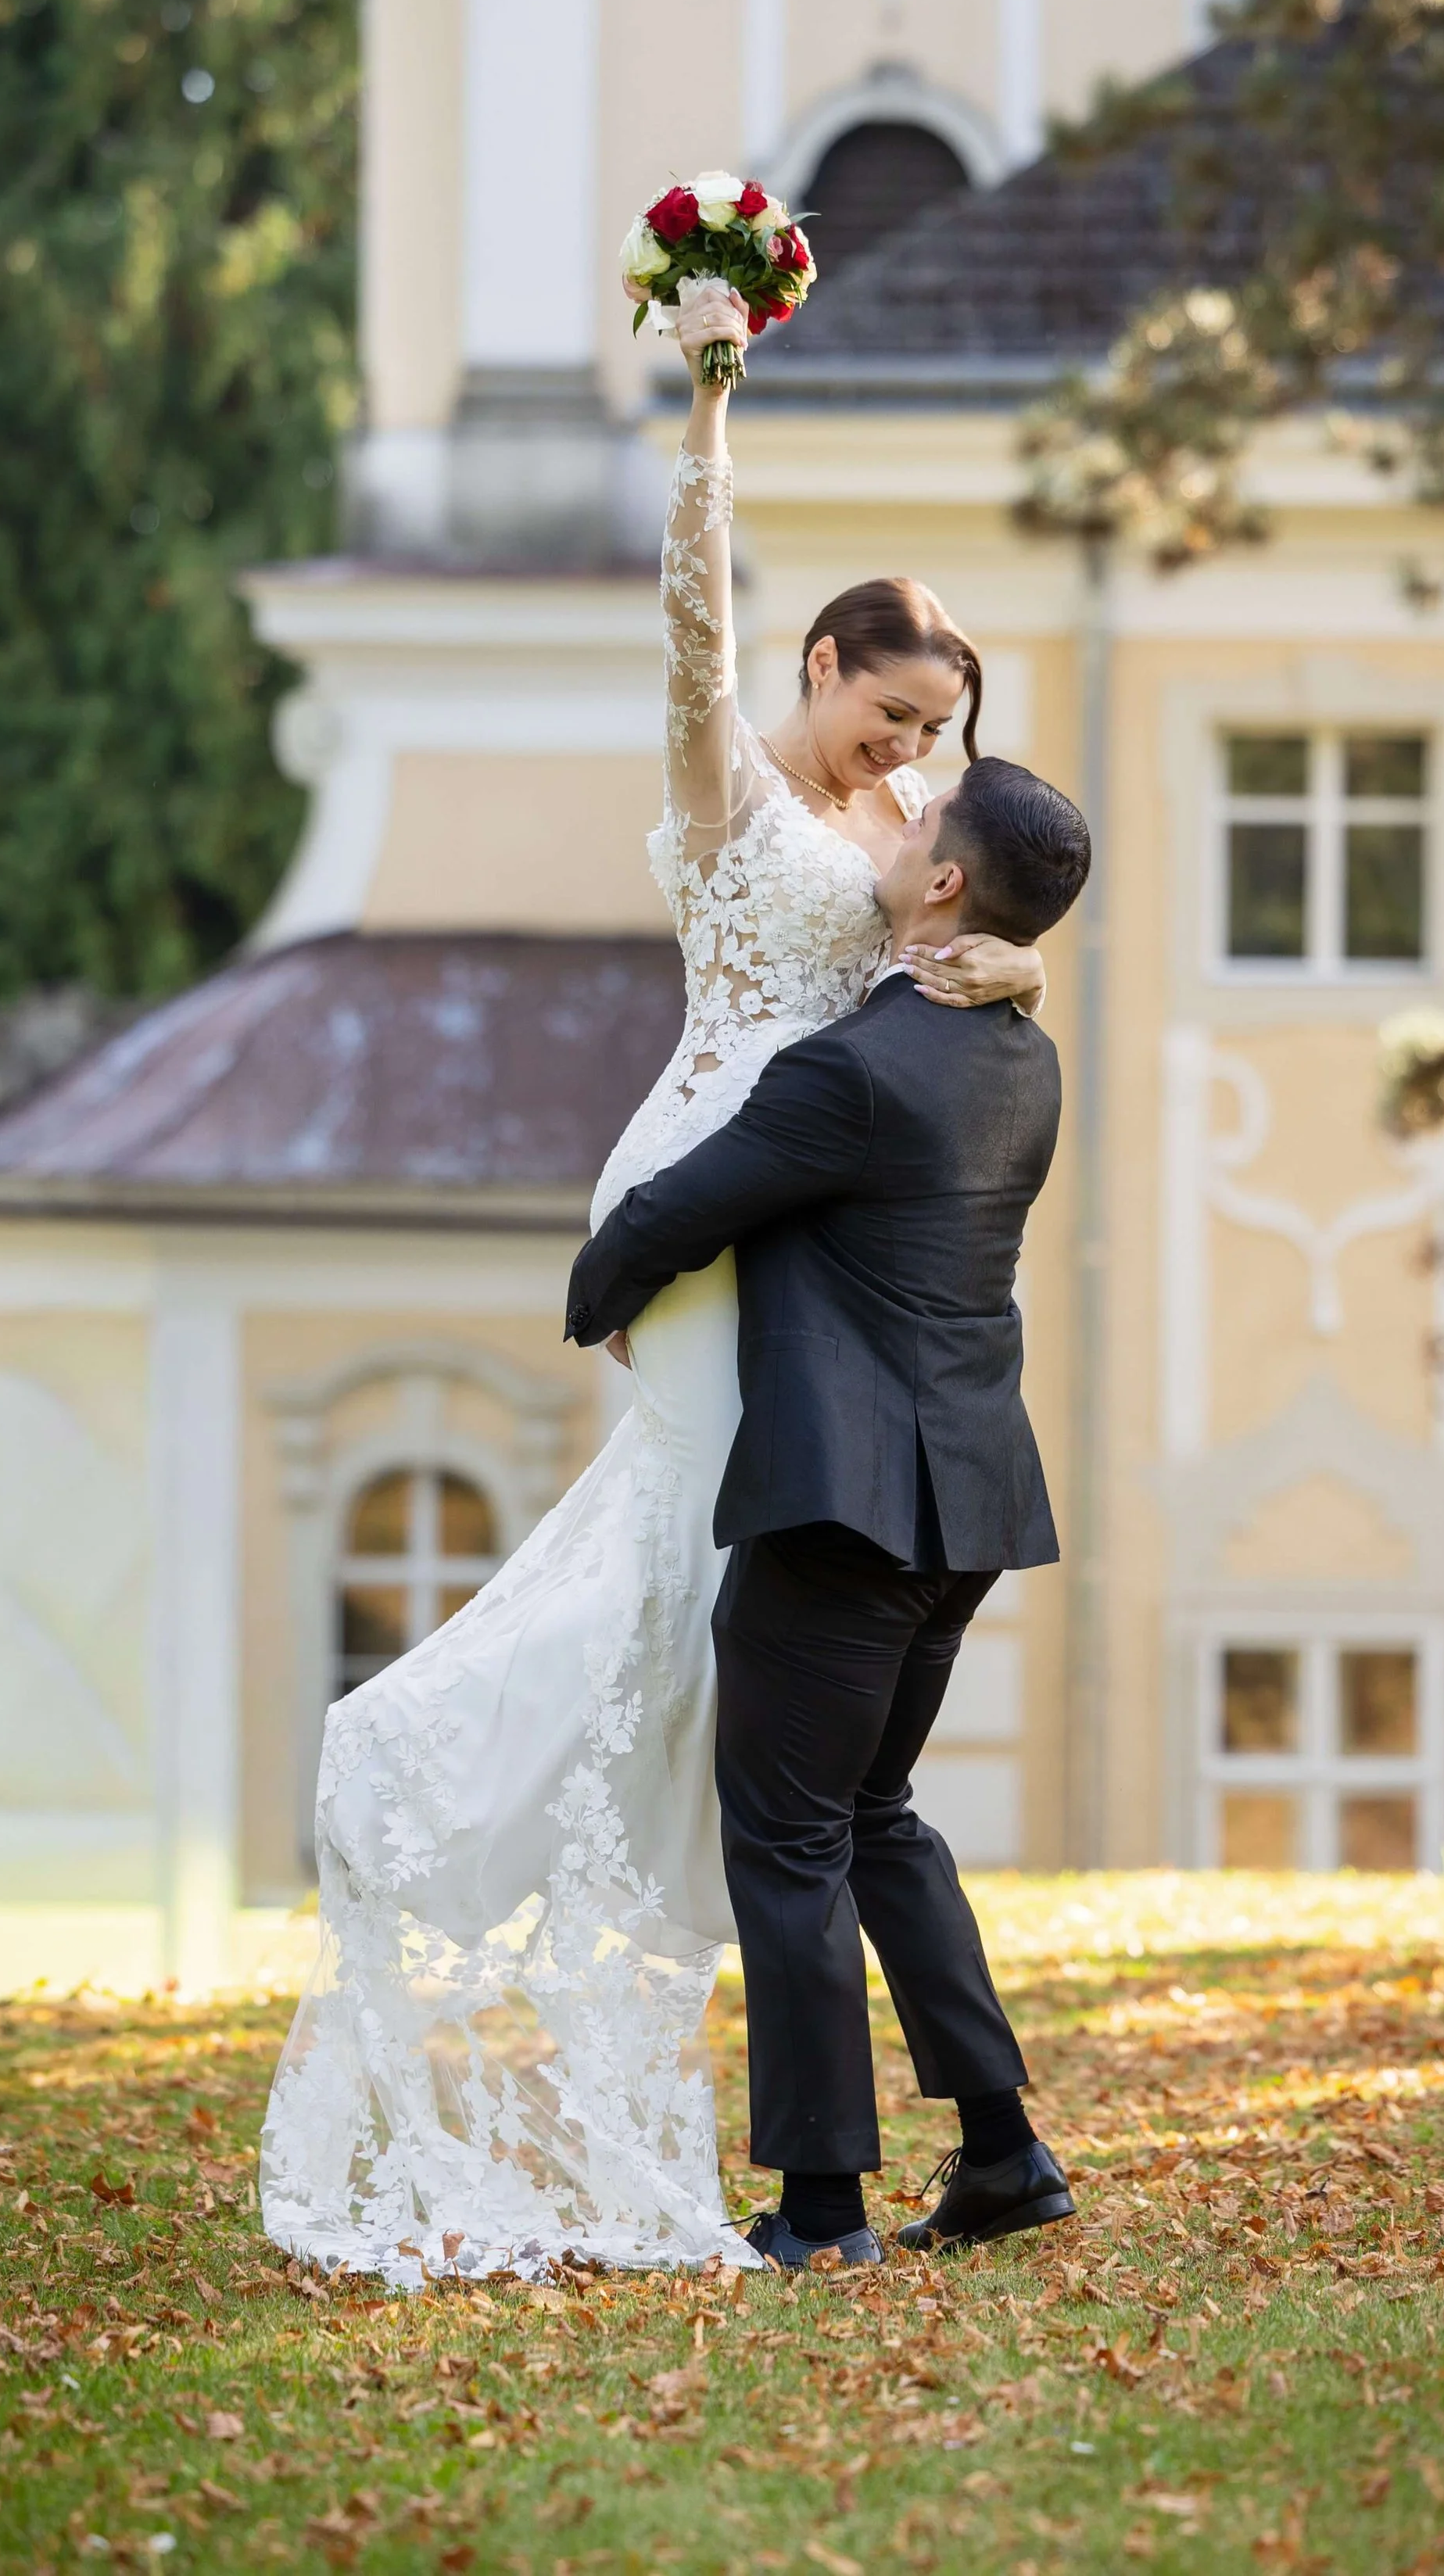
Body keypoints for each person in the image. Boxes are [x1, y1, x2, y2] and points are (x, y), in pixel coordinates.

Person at [258, 286, 1046, 2282]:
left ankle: (754, 1879)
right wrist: (708, 416)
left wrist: (1021, 960)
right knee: (702, 1571)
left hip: (803, 1213)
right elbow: (689, 625)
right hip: (703, 1191)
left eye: (934, 734)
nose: (908, 754)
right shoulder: (732, 792)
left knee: (746, 1621)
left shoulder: (906, 829)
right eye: (886, 713)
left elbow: (987, 897)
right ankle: (532, 1799)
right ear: (821, 664)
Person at [566, 752, 1092, 2263]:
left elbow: (683, 1206)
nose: (899, 816)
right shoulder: (1028, 1058)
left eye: (922, 820)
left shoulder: (849, 1072)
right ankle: (1004, 2154)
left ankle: (819, 2211)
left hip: (846, 1508)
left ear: (946, 882)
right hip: (968, 1502)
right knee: (873, 1816)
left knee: (791, 1837)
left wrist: (599, 1288)